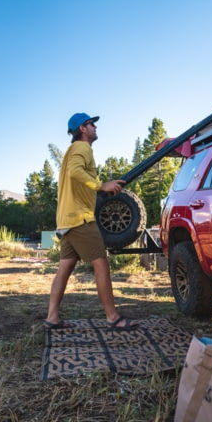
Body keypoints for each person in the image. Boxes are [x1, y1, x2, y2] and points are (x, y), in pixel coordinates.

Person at [44, 112, 140, 331]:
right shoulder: (82, 147)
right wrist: (100, 186)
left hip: (67, 219)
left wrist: (101, 186)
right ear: (82, 129)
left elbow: (74, 173)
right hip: (80, 219)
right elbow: (75, 171)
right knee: (101, 264)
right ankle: (112, 317)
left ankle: (52, 317)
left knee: (65, 267)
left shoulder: (72, 150)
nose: (95, 127)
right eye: (91, 124)